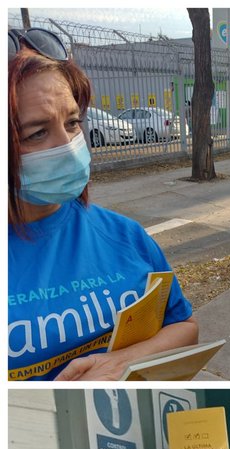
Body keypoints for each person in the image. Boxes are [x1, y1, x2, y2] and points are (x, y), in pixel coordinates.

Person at [9, 33, 197, 381]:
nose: (68, 147)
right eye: (36, 133)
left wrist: (125, 361)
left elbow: (184, 328)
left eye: (72, 123)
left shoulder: (125, 235)